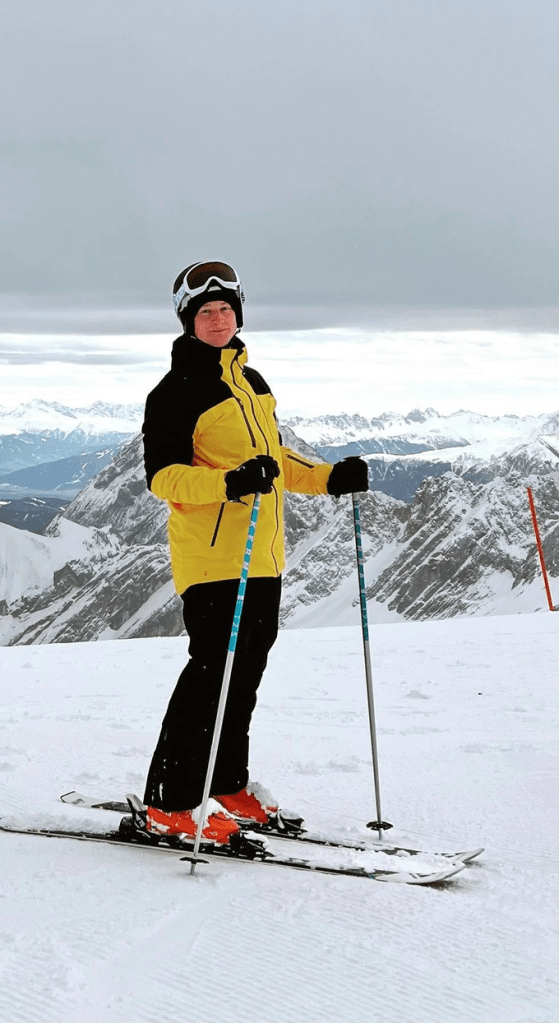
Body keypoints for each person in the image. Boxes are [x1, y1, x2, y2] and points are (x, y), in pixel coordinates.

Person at [140, 260, 368, 846]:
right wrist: (227, 483)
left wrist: (328, 478)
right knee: (212, 675)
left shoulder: (252, 383)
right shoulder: (174, 392)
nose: (218, 320)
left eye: (226, 309)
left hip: (261, 556)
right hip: (213, 558)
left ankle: (226, 783)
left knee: (244, 678)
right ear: (187, 321)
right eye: (205, 312)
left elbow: (274, 461)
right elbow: (163, 479)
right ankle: (170, 801)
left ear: (239, 312)